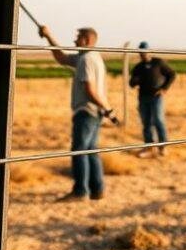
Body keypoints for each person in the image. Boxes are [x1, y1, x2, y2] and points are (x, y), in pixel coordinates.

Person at [38, 24, 118, 201]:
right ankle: (97, 190)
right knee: (91, 151)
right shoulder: (91, 57)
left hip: (86, 111)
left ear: (87, 40)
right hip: (96, 112)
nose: (74, 40)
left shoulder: (86, 60)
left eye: (78, 37)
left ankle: (80, 191)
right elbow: (62, 58)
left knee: (79, 151)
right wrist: (48, 36)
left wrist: (107, 108)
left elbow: (89, 88)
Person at [128, 42, 176, 157]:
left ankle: (162, 147)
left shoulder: (158, 63)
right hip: (143, 98)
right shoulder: (138, 67)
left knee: (158, 121)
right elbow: (131, 83)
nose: (142, 54)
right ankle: (149, 147)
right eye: (140, 52)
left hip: (156, 97)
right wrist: (134, 81)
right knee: (146, 123)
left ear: (149, 51)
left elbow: (172, 74)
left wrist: (164, 89)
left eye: (144, 52)